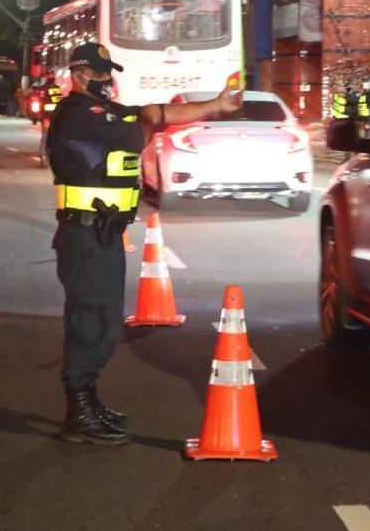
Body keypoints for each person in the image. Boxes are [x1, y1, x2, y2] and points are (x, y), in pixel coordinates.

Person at [46, 42, 241, 445]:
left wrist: (215, 106)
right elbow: (137, 135)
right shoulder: (76, 115)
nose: (106, 80)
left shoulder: (106, 112)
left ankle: (89, 400)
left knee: (103, 320)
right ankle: (79, 411)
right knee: (89, 321)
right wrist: (149, 118)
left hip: (102, 234)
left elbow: (160, 114)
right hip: (84, 235)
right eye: (98, 74)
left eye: (108, 73)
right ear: (77, 76)